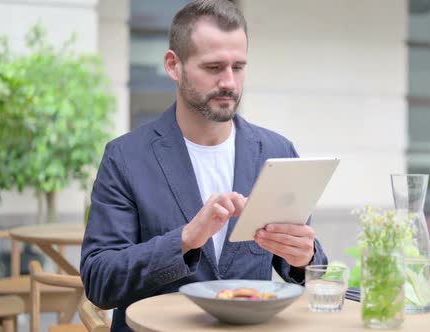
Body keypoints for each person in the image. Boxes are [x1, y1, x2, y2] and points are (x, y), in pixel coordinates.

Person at [80, 0, 327, 330]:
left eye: (238, 67)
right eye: (213, 68)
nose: (229, 82)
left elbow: (310, 278)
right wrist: (184, 239)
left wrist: (304, 260)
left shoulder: (277, 152)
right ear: (173, 65)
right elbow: (100, 282)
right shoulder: (125, 158)